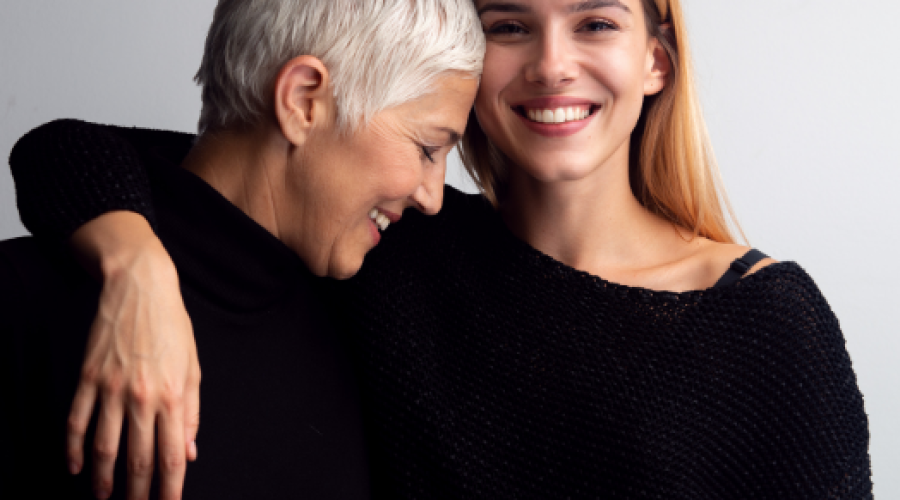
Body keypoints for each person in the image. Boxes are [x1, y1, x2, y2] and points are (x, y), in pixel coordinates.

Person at [8, 0, 872, 498]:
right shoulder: (392, 248)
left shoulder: (765, 325)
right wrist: (136, 267)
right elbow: (82, 150)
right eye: (509, 25)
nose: (552, 66)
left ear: (657, 60)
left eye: (597, 23)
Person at [0, 0, 482, 498]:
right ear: (303, 100)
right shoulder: (26, 301)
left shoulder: (373, 316)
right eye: (427, 149)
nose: (433, 196)